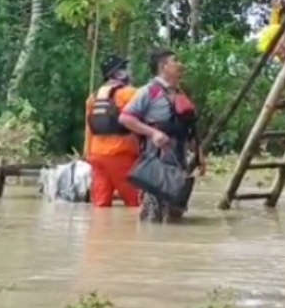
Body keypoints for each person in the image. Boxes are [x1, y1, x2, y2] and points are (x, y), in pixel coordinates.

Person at [118, 49, 205, 223]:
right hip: (157, 164)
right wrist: (153, 133)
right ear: (163, 66)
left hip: (179, 163)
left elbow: (190, 128)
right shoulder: (148, 91)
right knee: (152, 219)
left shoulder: (181, 92)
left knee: (175, 216)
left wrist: (200, 155)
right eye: (175, 61)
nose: (180, 64)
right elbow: (125, 118)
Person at [84, 55, 141, 208]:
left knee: (100, 205)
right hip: (120, 154)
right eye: (125, 69)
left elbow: (89, 129)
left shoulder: (92, 97)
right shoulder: (129, 94)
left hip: (96, 155)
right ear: (119, 74)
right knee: (136, 203)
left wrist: (87, 155)